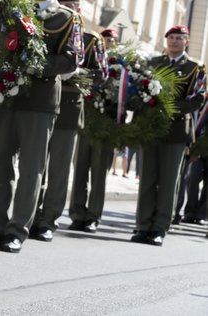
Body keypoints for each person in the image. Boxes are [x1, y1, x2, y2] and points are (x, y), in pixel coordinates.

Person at [0, 0, 79, 254]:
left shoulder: (67, 19)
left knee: (31, 169)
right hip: (9, 97)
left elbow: (70, 60)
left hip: (40, 101)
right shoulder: (14, 11)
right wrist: (7, 55)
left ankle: (17, 230)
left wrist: (34, 65)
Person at [131, 25, 207, 246]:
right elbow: (141, 91)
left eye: (179, 38)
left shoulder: (195, 68)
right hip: (151, 129)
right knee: (147, 179)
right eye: (171, 37)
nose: (174, 42)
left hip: (175, 131)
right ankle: (142, 225)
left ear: (187, 42)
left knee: (168, 182)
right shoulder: (154, 64)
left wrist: (169, 108)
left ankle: (159, 228)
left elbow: (197, 98)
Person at [31, 0, 90, 241]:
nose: (71, 9)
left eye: (75, 5)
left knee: (58, 168)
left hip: (69, 104)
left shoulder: (89, 39)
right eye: (67, 5)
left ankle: (48, 219)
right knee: (36, 163)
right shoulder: (51, 27)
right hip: (45, 97)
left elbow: (98, 73)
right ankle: (31, 213)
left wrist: (76, 74)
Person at [68, 22, 113, 233]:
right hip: (85, 119)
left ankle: (94, 215)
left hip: (105, 125)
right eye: (106, 40)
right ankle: (77, 213)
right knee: (80, 169)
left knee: (98, 172)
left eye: (111, 41)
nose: (108, 43)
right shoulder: (87, 55)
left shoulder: (121, 65)